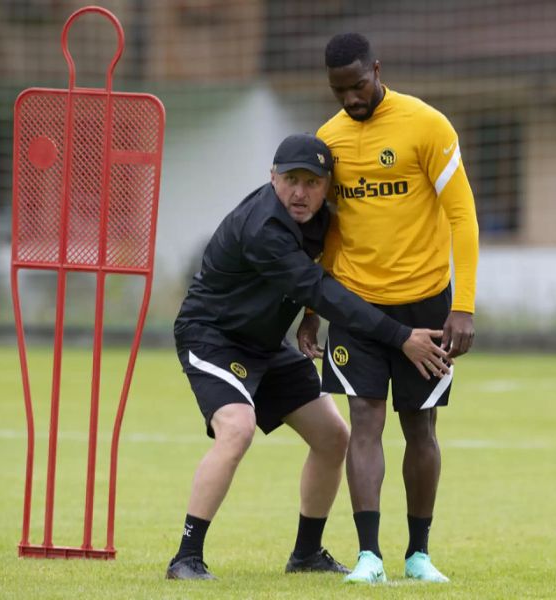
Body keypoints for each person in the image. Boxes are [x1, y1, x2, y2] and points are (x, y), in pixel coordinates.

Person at [166, 133, 452, 580]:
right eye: (290, 180)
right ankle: (186, 557)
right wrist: (400, 337)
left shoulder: (321, 218)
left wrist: (307, 319)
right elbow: (321, 290)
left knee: (333, 436)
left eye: (312, 182)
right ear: (272, 178)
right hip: (213, 336)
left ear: (327, 186)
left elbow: (327, 271)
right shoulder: (264, 229)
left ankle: (306, 554)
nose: (300, 193)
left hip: (265, 343)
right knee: (237, 428)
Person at [296, 33, 480, 584]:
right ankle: (369, 556)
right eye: (339, 90)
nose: (351, 98)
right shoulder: (328, 140)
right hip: (354, 305)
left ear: (376, 69)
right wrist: (313, 308)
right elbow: (329, 232)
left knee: (420, 425)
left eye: (358, 84)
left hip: (425, 303)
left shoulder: (427, 125)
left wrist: (463, 305)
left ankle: (418, 554)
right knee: (364, 422)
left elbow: (462, 216)